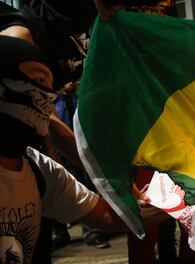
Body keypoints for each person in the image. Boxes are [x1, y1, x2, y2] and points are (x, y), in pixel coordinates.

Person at [0, 35, 167, 263]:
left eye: (50, 87)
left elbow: (108, 217)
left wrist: (180, 203)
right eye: (37, 79)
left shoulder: (41, 173)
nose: (47, 96)